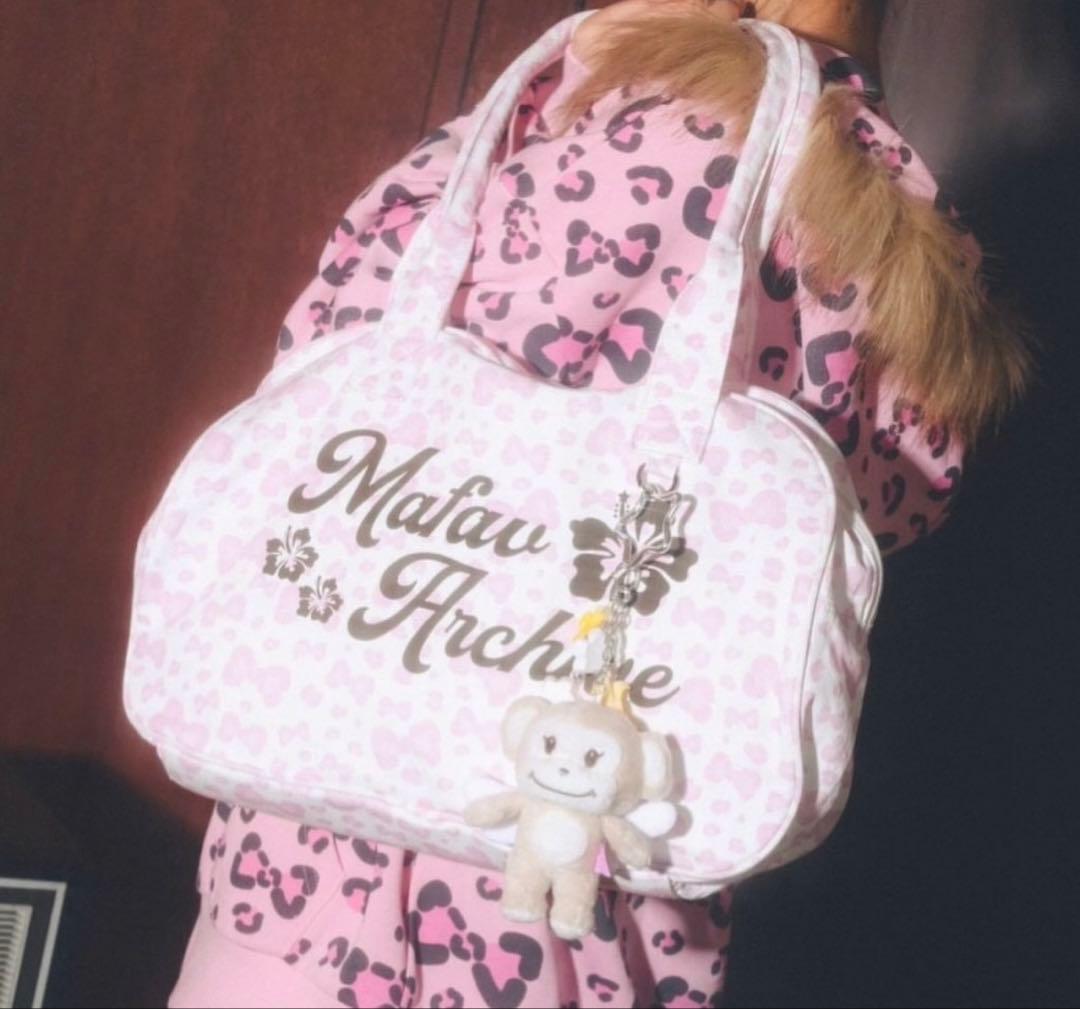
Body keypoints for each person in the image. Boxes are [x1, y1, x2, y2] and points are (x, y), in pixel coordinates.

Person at [168, 2, 1029, 1006]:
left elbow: (333, 345)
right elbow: (901, 493)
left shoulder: (604, 128)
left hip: (327, 866)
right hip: (595, 901)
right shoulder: (885, 200)